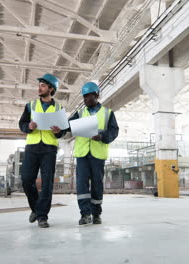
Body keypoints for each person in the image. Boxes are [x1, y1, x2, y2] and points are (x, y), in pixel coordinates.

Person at [18, 73, 65, 228]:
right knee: (26, 179)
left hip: (49, 149)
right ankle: (36, 209)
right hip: (32, 147)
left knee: (47, 183)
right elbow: (22, 124)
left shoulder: (59, 108)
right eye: (39, 85)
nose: (39, 88)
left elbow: (64, 131)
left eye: (43, 85)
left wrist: (58, 131)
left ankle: (42, 216)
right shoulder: (30, 106)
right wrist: (28, 127)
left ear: (51, 89)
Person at [69, 82, 119, 225]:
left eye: (88, 97)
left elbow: (114, 131)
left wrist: (102, 136)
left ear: (96, 95)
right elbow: (69, 126)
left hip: (98, 154)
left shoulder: (108, 113)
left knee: (97, 185)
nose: (85, 100)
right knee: (81, 185)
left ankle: (96, 214)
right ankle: (85, 214)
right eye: (84, 97)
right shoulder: (79, 113)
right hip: (82, 154)